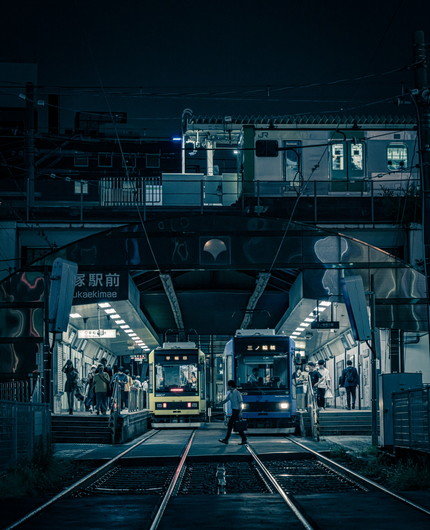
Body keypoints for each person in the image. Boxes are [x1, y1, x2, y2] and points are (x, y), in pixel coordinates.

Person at [218, 380, 247, 445]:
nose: (227, 387)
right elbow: (226, 400)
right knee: (236, 425)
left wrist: (240, 412)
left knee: (232, 425)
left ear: (230, 386)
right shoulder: (230, 393)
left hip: (237, 411)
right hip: (234, 411)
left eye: (228, 385)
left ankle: (226, 439)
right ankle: (244, 439)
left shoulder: (237, 393)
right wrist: (220, 403)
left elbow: (240, 402)